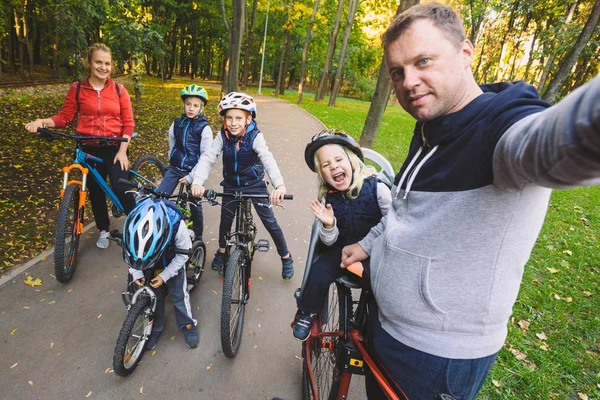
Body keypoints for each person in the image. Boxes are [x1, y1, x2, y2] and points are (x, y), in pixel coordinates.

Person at [339, 3, 600, 399]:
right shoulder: (430, 127)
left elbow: (559, 142)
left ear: (465, 54)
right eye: (397, 72)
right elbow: (405, 214)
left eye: (423, 60)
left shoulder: (503, 132)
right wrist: (369, 244)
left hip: (435, 358)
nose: (409, 81)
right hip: (386, 325)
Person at [25, 43, 136, 250]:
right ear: (89, 62)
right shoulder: (78, 89)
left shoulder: (120, 91)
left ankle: (136, 225)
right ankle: (103, 229)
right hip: (88, 146)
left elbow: (128, 123)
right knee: (95, 190)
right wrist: (42, 121)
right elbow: (64, 117)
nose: (103, 67)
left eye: (107, 63)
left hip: (114, 146)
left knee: (121, 187)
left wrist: (122, 150)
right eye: (98, 62)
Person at [292, 130, 391, 341]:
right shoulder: (329, 197)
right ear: (322, 174)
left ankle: (377, 323)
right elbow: (330, 241)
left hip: (376, 249)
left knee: (381, 282)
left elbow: (394, 220)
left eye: (338, 160)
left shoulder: (376, 188)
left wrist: (366, 248)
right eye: (326, 165)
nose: (334, 166)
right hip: (343, 248)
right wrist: (329, 225)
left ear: (353, 161)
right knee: (319, 271)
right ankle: (307, 311)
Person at [190, 92, 294, 280]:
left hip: (254, 184)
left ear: (248, 118)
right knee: (225, 221)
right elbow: (208, 157)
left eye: (239, 118)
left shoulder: (255, 136)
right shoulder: (222, 136)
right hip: (231, 184)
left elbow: (267, 158)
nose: (233, 122)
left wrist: (279, 185)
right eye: (229, 117)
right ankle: (222, 251)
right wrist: (198, 181)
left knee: (269, 221)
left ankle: (285, 256)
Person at [123, 197, 199, 349]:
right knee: (153, 296)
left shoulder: (177, 225)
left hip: (172, 258)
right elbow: (129, 253)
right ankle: (156, 325)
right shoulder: (133, 226)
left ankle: (188, 324)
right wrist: (137, 272)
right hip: (148, 259)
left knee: (179, 294)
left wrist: (165, 275)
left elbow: (183, 255)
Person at [157, 84, 213, 240]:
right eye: (188, 104)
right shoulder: (177, 123)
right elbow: (172, 140)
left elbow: (205, 157)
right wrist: (173, 156)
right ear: (184, 105)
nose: (191, 108)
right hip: (176, 168)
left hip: (194, 171)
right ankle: (161, 226)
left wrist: (191, 177)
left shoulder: (204, 128)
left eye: (195, 105)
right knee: (160, 197)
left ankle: (198, 234)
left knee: (195, 203)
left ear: (202, 108)